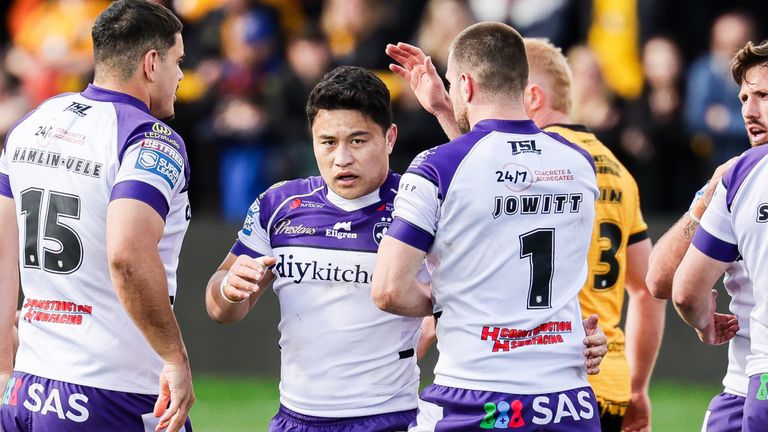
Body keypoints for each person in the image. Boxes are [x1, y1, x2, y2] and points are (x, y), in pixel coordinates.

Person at [206, 64, 608, 431]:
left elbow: (501, 224)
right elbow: (220, 309)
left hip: (392, 418)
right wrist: (228, 288)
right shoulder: (279, 206)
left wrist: (567, 332)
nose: (341, 158)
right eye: (327, 142)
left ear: (390, 137)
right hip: (294, 418)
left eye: (358, 140)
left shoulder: (417, 202)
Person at [386, 36, 666, 432]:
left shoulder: (437, 168)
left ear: (465, 86)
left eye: (452, 84)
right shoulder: (582, 164)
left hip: (477, 394)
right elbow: (493, 176)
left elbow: (388, 289)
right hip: (572, 394)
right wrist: (446, 111)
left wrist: (456, 298)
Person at [0, 1, 194, 431]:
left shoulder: (33, 121)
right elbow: (127, 256)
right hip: (113, 394)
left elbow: (1, 253)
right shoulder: (149, 139)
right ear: (151, 63)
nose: (180, 76)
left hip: (26, 388)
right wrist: (173, 357)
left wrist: (2, 365)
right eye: (178, 62)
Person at [672, 40, 768, 431]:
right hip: (743, 383)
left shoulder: (743, 173)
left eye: (764, 95)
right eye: (744, 97)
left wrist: (702, 321)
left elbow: (678, 288)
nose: (748, 110)